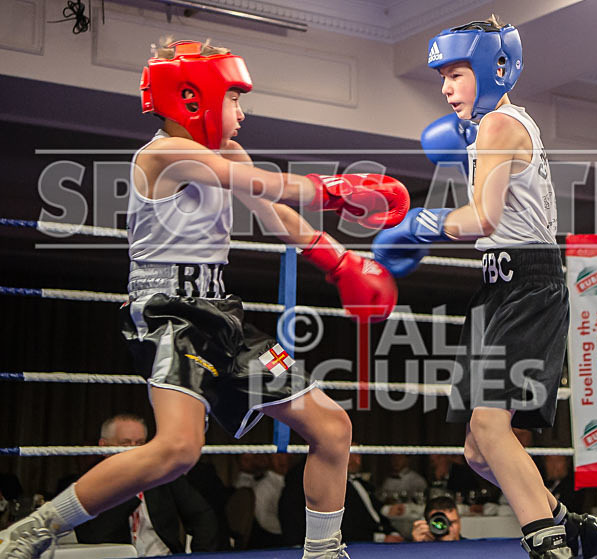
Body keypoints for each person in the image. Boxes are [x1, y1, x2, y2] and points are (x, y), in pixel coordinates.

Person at [0, 39, 408, 559]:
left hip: (222, 314)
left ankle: (324, 551)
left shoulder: (226, 152)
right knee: (176, 449)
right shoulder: (164, 153)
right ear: (194, 98)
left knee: (332, 426)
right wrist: (338, 187)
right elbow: (266, 182)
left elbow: (270, 209)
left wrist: (336, 260)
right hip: (167, 314)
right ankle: (34, 530)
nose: (241, 112)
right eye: (234, 98)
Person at [373, 16, 597, 559]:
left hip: (527, 283)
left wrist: (420, 224)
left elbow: (482, 218)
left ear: (493, 68)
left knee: (489, 424)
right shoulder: (490, 128)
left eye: (456, 73)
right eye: (442, 76)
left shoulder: (500, 126)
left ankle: (548, 546)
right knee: (478, 451)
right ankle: (569, 524)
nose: (446, 87)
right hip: (500, 286)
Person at [73, 414, 218, 555]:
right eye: (125, 443)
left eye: (140, 443)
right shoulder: (89, 483)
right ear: (104, 447)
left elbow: (202, 516)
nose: (134, 450)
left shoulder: (163, 475)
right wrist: (127, 485)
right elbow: (93, 537)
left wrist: (200, 555)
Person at [234, 453, 290, 548]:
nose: (281, 460)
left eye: (284, 455)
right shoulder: (261, 487)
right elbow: (265, 521)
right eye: (276, 456)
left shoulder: (296, 481)